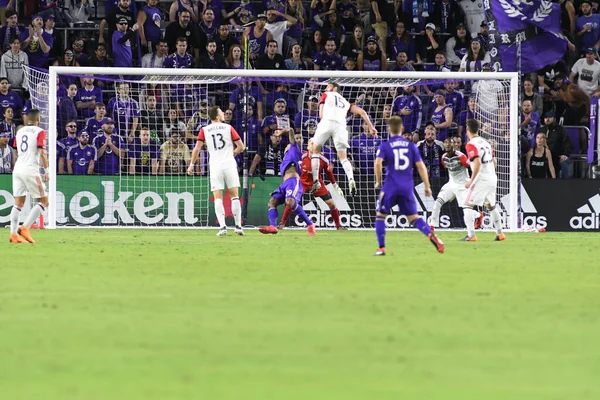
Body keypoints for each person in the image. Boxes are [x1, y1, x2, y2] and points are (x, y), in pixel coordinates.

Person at [373, 116, 444, 256]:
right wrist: (427, 186)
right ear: (402, 129)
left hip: (391, 186)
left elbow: (377, 163)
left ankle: (381, 248)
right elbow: (421, 166)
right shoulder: (411, 146)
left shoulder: (385, 146)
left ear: (388, 129)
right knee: (414, 218)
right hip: (406, 186)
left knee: (381, 216)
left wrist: (378, 181)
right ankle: (431, 235)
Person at [188, 106, 245, 236]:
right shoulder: (228, 128)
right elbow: (241, 147)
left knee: (217, 197)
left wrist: (191, 164)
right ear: (218, 116)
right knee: (234, 195)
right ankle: (238, 226)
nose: (224, 113)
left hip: (215, 165)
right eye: (222, 112)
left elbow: (197, 149)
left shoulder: (204, 130)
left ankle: (223, 227)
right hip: (229, 163)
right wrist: (232, 153)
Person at [311, 82, 376, 196]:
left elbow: (321, 115)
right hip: (341, 127)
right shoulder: (345, 102)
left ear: (334, 88)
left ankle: (316, 180)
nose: (326, 87)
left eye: (328, 86)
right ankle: (351, 179)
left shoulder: (326, 94)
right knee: (343, 158)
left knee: (315, 150)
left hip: (327, 122)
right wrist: (371, 127)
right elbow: (362, 112)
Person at [279, 135, 346, 230]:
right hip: (302, 182)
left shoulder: (323, 159)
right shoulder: (301, 157)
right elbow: (290, 163)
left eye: (316, 144)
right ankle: (282, 223)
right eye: (312, 143)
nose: (314, 145)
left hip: (316, 183)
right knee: (291, 201)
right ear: (308, 147)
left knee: (332, 204)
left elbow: (329, 173)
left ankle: (338, 225)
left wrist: (335, 186)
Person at [258, 127, 315, 236]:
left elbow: (291, 130)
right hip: (285, 184)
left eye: (300, 139)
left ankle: (310, 225)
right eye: (296, 139)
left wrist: (282, 132)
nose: (297, 140)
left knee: (290, 202)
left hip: (294, 181)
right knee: (272, 202)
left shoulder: (295, 149)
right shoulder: (284, 160)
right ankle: (273, 227)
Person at [9, 109, 48, 244]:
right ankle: (25, 228)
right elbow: (42, 152)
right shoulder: (40, 131)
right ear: (38, 119)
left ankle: (13, 235)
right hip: (31, 169)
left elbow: (16, 151)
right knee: (44, 202)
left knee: (18, 204)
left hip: (18, 168)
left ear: (27, 119)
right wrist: (46, 170)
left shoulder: (19, 132)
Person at [463, 118, 505, 242]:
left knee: (467, 206)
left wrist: (471, 180)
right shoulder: (486, 142)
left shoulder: (471, 144)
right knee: (491, 206)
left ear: (467, 130)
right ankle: (500, 234)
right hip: (492, 176)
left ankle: (471, 235)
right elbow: (494, 161)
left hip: (481, 179)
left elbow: (477, 162)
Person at [430, 136, 483, 230]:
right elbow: (448, 169)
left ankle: (478, 215)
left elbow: (471, 167)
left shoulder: (461, 156)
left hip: (462, 185)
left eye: (449, 143)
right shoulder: (443, 157)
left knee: (466, 210)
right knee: (437, 202)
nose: (447, 145)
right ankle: (432, 227)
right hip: (451, 184)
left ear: (453, 145)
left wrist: (472, 181)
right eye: (445, 143)